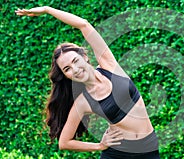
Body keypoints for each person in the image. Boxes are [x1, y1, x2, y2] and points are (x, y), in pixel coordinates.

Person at [15, 6, 160, 159]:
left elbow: (83, 24)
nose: (75, 69)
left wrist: (48, 10)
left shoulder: (109, 66)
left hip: (149, 149)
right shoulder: (83, 102)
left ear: (84, 57)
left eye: (75, 61)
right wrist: (99, 146)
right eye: (67, 69)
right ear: (66, 76)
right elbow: (64, 142)